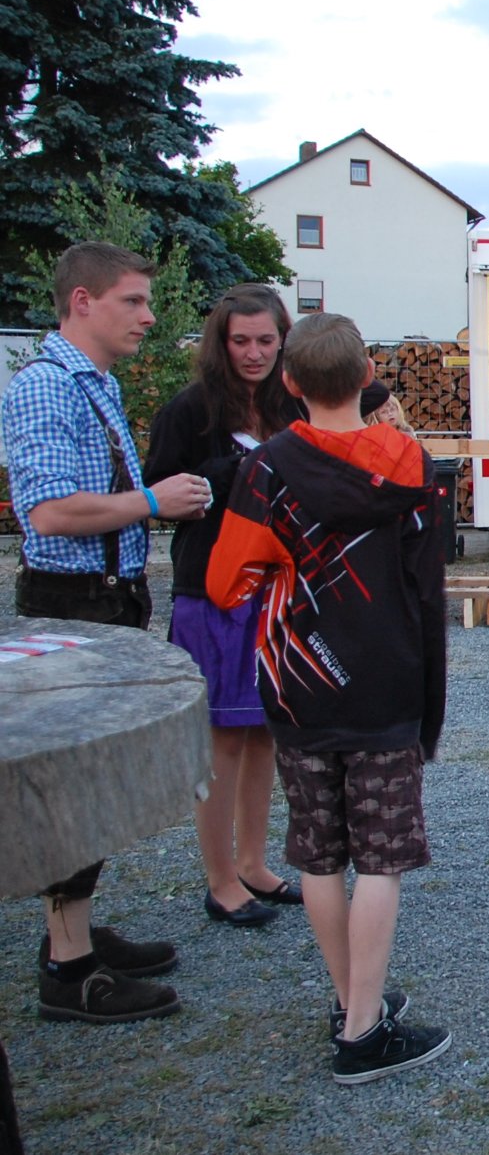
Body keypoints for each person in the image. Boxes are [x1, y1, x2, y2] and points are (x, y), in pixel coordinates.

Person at [206, 312, 452, 1084]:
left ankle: (353, 1002)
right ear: (367, 377)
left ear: (288, 381)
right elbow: (427, 584)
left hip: (299, 680)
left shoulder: (266, 468)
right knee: (380, 858)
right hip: (386, 677)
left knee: (319, 853)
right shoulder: (410, 463)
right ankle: (362, 1029)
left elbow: (225, 582)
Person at [3, 241, 207, 1025]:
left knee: (88, 783)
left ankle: (75, 934)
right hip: (71, 603)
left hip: (108, 598)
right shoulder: (45, 387)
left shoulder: (97, 382)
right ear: (82, 302)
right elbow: (50, 512)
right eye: (134, 300)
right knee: (71, 788)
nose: (149, 317)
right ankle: (70, 969)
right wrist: (153, 503)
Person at [142, 283, 306, 930]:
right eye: (241, 340)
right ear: (221, 342)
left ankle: (252, 863)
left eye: (266, 340)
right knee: (222, 738)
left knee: (265, 732)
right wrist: (233, 473)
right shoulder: (190, 409)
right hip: (212, 588)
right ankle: (219, 880)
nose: (254, 352)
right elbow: (159, 492)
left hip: (276, 586)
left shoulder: (290, 404)